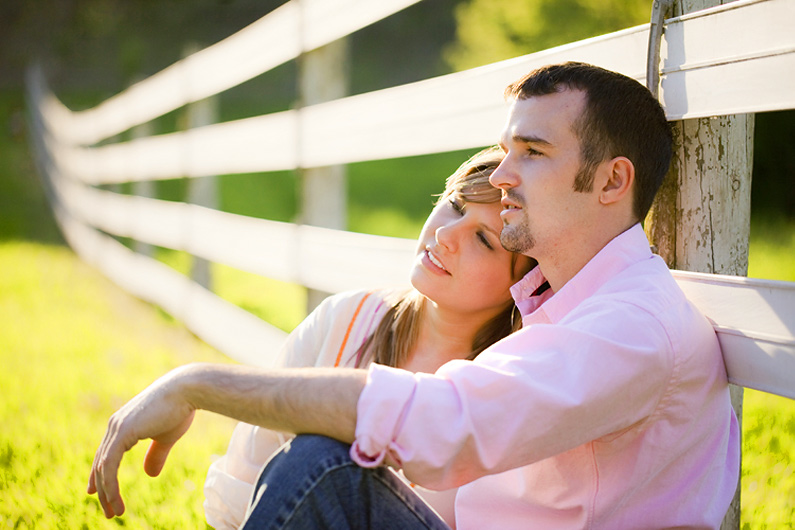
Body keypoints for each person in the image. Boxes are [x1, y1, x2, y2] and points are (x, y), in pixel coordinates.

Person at [88, 62, 740, 529]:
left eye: (532, 152)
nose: (503, 175)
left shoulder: (629, 327)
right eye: (506, 150)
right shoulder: (562, 306)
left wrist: (196, 384)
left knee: (325, 468)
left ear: (609, 181)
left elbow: (446, 422)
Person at [203, 147, 534, 529]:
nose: (445, 235)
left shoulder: (508, 386)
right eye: (456, 206)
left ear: (522, 284)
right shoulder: (347, 318)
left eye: (483, 239)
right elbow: (246, 481)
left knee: (319, 456)